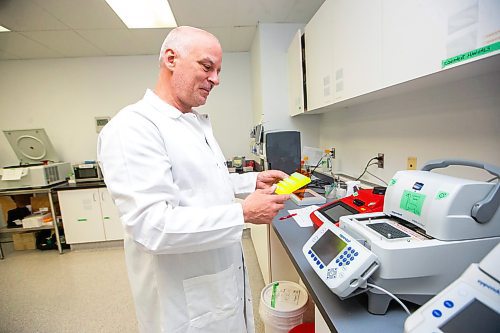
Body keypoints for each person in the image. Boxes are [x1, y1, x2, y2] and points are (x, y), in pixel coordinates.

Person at [97, 26, 290, 333]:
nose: (216, 79)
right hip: (184, 303)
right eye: (207, 66)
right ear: (171, 59)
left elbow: (202, 183)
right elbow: (152, 226)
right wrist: (243, 213)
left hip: (217, 282)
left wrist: (250, 181)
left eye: (219, 70)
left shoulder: (191, 123)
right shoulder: (133, 128)